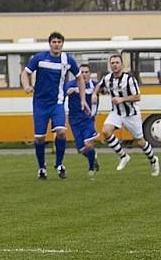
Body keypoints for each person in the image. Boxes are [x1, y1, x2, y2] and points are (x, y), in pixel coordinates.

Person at [20, 32, 89, 180]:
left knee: (62, 132)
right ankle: (41, 168)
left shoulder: (67, 60)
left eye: (59, 42)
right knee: (39, 138)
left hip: (57, 102)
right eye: (54, 42)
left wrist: (83, 99)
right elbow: (25, 73)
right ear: (49, 44)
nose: (56, 44)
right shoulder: (39, 58)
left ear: (62, 44)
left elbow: (80, 79)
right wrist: (26, 86)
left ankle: (59, 164)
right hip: (40, 103)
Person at [93, 54, 159, 176]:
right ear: (110, 65)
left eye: (117, 62)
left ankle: (153, 160)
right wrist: (94, 95)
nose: (115, 65)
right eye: (112, 63)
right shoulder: (108, 78)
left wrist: (122, 99)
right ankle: (123, 156)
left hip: (131, 114)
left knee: (140, 142)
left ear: (122, 65)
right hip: (116, 112)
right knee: (106, 131)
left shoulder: (129, 79)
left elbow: (138, 97)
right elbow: (99, 85)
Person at [64, 64, 100, 177]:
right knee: (81, 149)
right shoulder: (71, 84)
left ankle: (91, 168)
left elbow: (103, 88)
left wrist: (96, 95)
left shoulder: (94, 85)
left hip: (88, 119)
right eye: (82, 72)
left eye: (86, 72)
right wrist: (69, 91)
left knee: (88, 144)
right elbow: (65, 92)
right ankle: (93, 157)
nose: (84, 74)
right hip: (74, 120)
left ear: (90, 74)